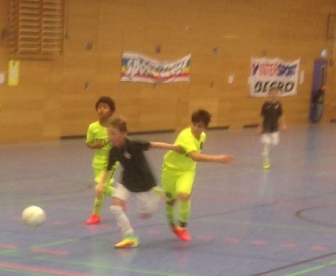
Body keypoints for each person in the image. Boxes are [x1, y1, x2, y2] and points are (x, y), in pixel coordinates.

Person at [95, 117, 182, 248]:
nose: (110, 137)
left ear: (124, 133)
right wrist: (101, 184)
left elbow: (153, 144)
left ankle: (157, 194)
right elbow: (108, 168)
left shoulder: (134, 144)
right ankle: (129, 236)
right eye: (109, 134)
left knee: (144, 214)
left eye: (113, 134)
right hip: (127, 182)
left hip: (145, 184)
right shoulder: (113, 150)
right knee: (115, 207)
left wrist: (174, 148)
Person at [161, 109, 234, 242]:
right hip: (170, 170)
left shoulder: (203, 136)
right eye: (193, 124)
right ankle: (172, 226)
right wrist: (218, 158)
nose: (195, 128)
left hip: (187, 171)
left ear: (205, 127)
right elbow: (195, 156)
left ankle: (182, 227)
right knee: (170, 201)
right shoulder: (186, 136)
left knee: (184, 195)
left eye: (199, 126)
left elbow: (194, 157)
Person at [85, 97, 116, 225]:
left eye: (105, 107)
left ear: (111, 111)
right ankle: (119, 196)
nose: (101, 109)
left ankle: (95, 215)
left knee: (100, 187)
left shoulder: (115, 127)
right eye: (99, 107)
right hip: (97, 162)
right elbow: (88, 143)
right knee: (101, 188)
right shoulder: (93, 127)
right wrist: (95, 146)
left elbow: (121, 141)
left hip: (111, 162)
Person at [259, 85, 286, 170]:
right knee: (266, 144)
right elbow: (262, 116)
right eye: (272, 93)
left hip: (275, 127)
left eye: (275, 93)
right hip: (266, 127)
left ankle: (266, 151)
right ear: (269, 94)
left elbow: (281, 115)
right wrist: (260, 127)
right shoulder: (265, 104)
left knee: (274, 143)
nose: (273, 94)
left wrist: (284, 124)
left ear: (277, 94)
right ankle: (266, 161)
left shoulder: (278, 104)